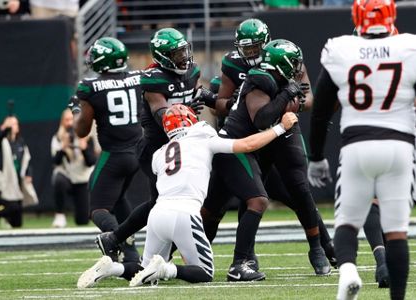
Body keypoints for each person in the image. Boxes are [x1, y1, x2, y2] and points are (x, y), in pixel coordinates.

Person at [77, 104, 299, 288]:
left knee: (145, 272)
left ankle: (113, 268)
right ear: (191, 120)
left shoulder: (160, 153)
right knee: (204, 273)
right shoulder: (203, 136)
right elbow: (247, 144)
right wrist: (281, 127)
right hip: (184, 214)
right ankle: (166, 269)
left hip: (157, 215)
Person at [200, 18, 333, 278]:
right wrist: (264, 98)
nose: (249, 55)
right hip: (251, 134)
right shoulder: (249, 73)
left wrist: (289, 100)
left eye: (254, 49)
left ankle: (321, 247)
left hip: (280, 131)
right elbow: (234, 106)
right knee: (249, 196)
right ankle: (242, 258)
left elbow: (308, 100)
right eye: (245, 49)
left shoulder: (284, 57)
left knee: (297, 188)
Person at [307, 0, 415, 298]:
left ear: (357, 17)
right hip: (399, 145)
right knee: (396, 232)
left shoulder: (342, 49)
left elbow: (320, 112)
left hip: (358, 145)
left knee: (347, 221)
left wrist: (315, 157)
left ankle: (349, 271)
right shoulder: (408, 47)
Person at [94, 28, 204, 261]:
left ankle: (117, 240)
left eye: (184, 51)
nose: (184, 58)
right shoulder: (152, 78)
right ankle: (123, 242)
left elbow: (197, 95)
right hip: (156, 148)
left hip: (182, 146)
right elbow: (160, 112)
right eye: (177, 54)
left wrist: (206, 101)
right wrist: (183, 115)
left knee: (169, 202)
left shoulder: (192, 71)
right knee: (163, 202)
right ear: (163, 57)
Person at [71, 37, 143, 263]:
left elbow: (81, 131)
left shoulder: (90, 87)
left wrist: (75, 110)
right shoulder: (139, 79)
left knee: (98, 208)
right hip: (138, 152)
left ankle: (116, 241)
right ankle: (132, 257)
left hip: (115, 154)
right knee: (119, 199)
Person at [0, 115, 38, 229]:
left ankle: (6, 217)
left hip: (15, 186)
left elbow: (26, 160)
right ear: (2, 127)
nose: (12, 126)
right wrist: (6, 129)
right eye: (10, 124)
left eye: (15, 124)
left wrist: (28, 174)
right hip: (0, 185)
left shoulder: (21, 143)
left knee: (17, 223)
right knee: (13, 207)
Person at [51, 108, 96, 228]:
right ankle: (59, 215)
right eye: (66, 120)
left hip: (82, 179)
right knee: (58, 179)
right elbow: (55, 162)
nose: (70, 123)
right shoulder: (57, 137)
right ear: (62, 122)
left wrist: (84, 148)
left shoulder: (86, 136)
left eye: (72, 119)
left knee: (82, 221)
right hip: (67, 177)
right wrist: (63, 148)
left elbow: (91, 162)